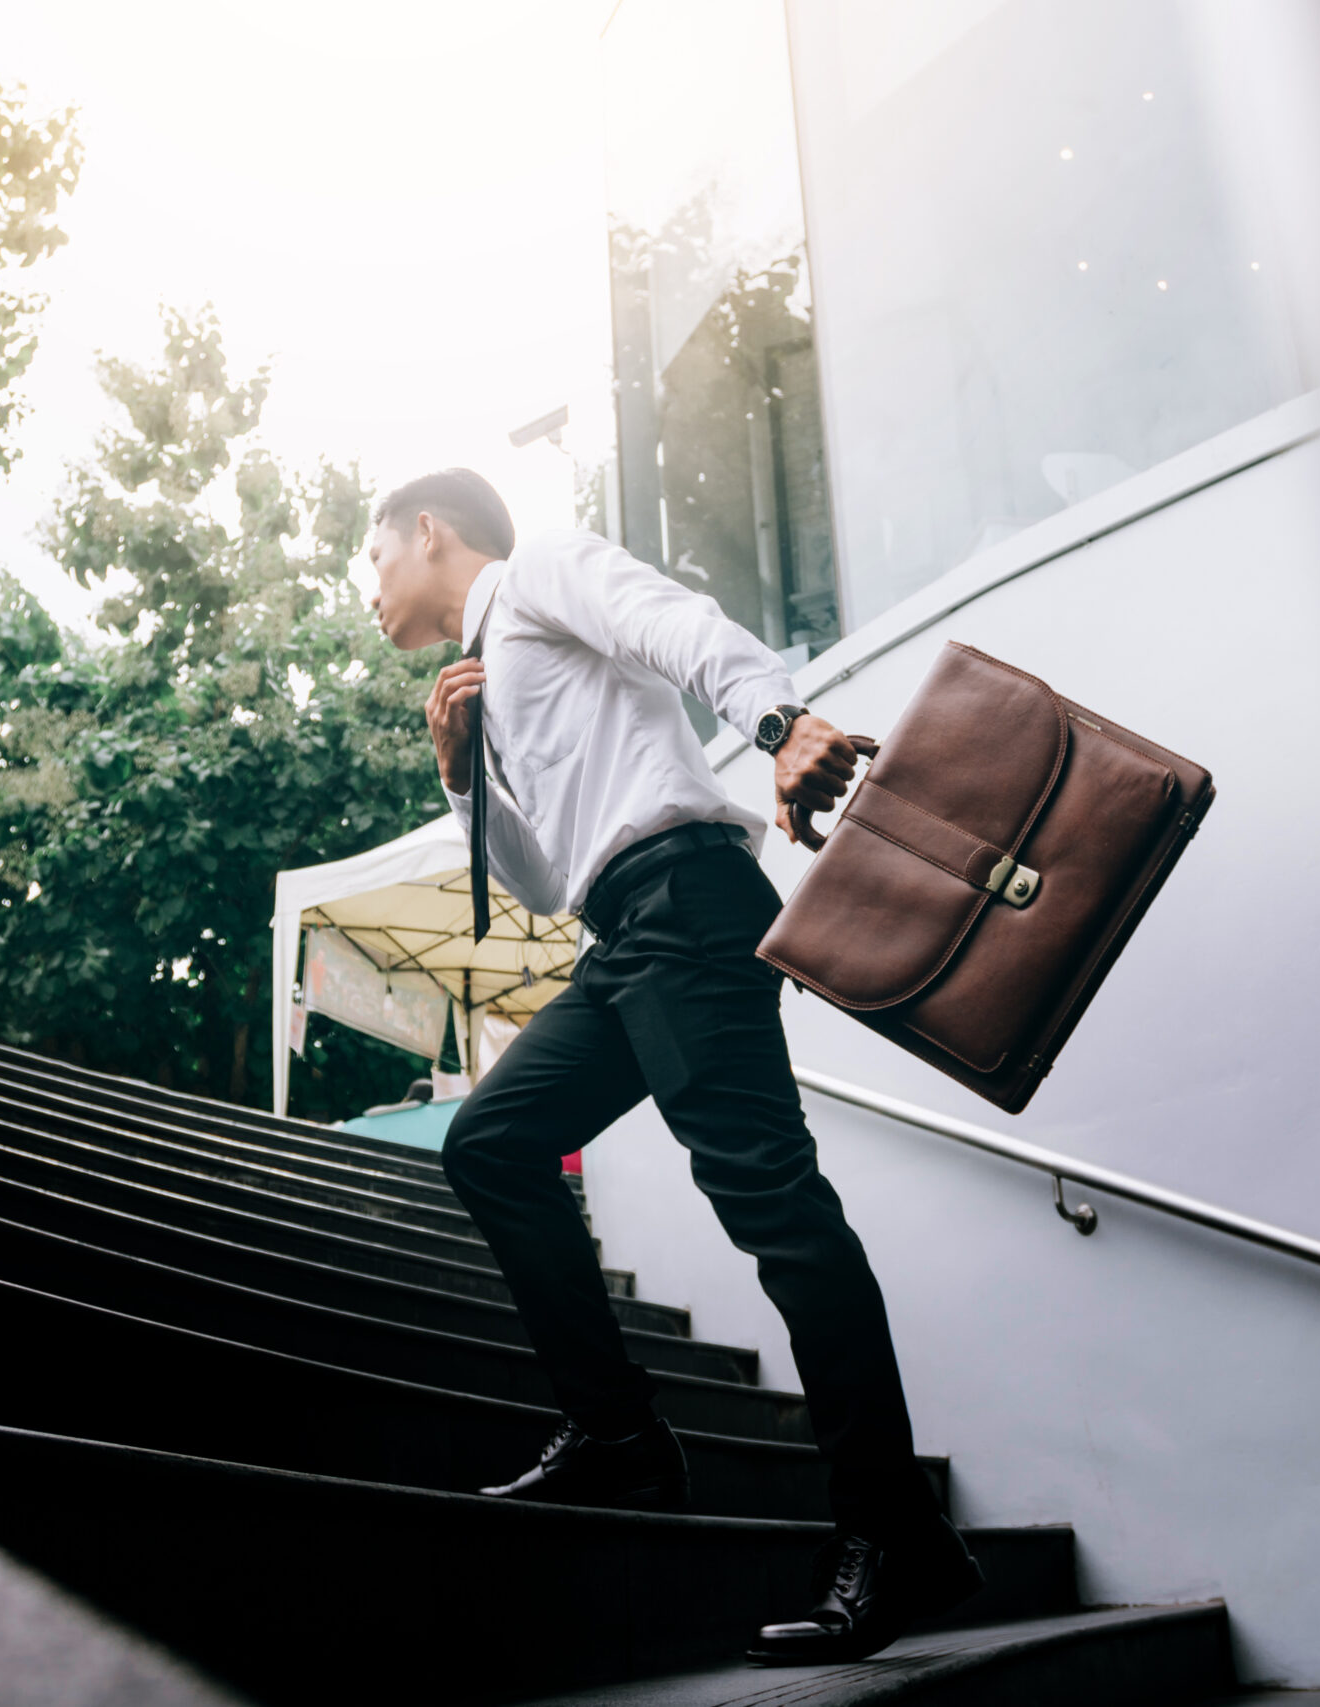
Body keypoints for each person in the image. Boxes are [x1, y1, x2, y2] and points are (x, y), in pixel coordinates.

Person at [363, 468, 983, 1665]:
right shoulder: (481, 685)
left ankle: (892, 1530)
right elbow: (539, 888)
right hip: (619, 936)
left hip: (689, 904)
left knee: (778, 1215)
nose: (369, 592)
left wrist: (777, 723)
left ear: (427, 534)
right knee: (489, 1146)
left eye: (371, 560)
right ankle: (620, 1438)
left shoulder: (538, 570)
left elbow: (681, 629)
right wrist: (457, 771)